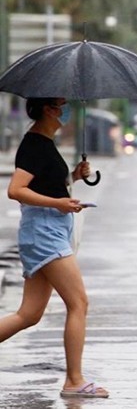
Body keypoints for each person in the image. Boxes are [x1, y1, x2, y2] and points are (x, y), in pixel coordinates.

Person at [1, 97, 108, 398]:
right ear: (48, 109)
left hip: (47, 230)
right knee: (79, 303)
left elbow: (43, 183)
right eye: (62, 105)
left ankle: (74, 379)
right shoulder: (35, 143)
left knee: (29, 314)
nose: (66, 110)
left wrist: (73, 176)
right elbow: (16, 190)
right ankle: (74, 380)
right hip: (44, 232)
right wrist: (58, 203)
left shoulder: (44, 142)